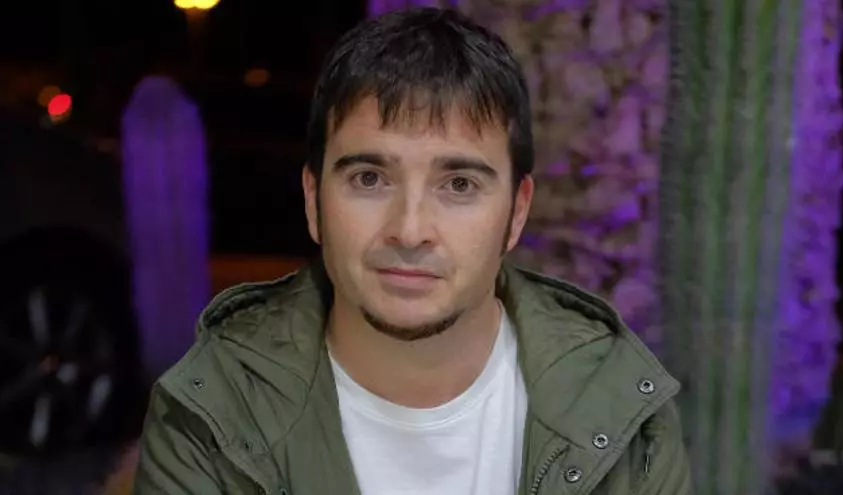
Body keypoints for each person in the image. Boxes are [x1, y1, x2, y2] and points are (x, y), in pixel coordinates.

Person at [133, 7, 692, 495]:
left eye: (459, 185)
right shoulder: (210, 413)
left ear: (517, 212)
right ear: (313, 199)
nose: (409, 230)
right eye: (370, 178)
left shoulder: (620, 412)